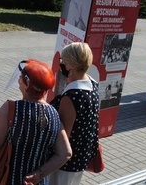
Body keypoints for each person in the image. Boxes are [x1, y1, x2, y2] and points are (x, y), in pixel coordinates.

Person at [0, 59, 72, 185]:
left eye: (21, 77)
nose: (19, 80)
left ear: (27, 84)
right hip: (36, 182)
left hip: (7, 179)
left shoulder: (11, 108)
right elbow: (66, 153)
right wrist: (40, 174)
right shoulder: (53, 113)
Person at [49, 42, 100, 185]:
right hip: (82, 156)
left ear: (70, 64)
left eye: (63, 61)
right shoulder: (92, 83)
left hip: (67, 163)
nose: (62, 64)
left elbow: (64, 134)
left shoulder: (71, 96)